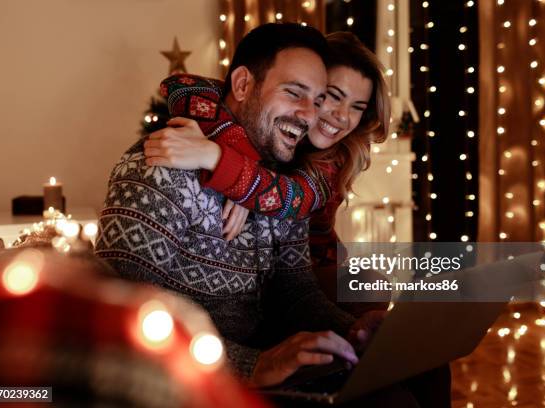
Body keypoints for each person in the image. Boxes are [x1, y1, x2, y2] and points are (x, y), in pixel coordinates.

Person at [95, 23, 385, 389]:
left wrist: (353, 333)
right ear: (244, 84)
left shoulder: (280, 174)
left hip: (262, 360)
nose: (311, 115)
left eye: (317, 99)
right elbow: (123, 316)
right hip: (191, 383)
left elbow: (295, 289)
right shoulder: (160, 165)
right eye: (294, 92)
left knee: (411, 375)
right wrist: (253, 365)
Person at [144, 32, 390, 308]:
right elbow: (180, 85)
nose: (343, 116)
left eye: (357, 107)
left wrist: (219, 159)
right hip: (260, 269)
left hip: (313, 266)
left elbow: (291, 198)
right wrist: (242, 155)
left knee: (372, 287)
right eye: (332, 97)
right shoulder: (269, 126)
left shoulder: (334, 160)